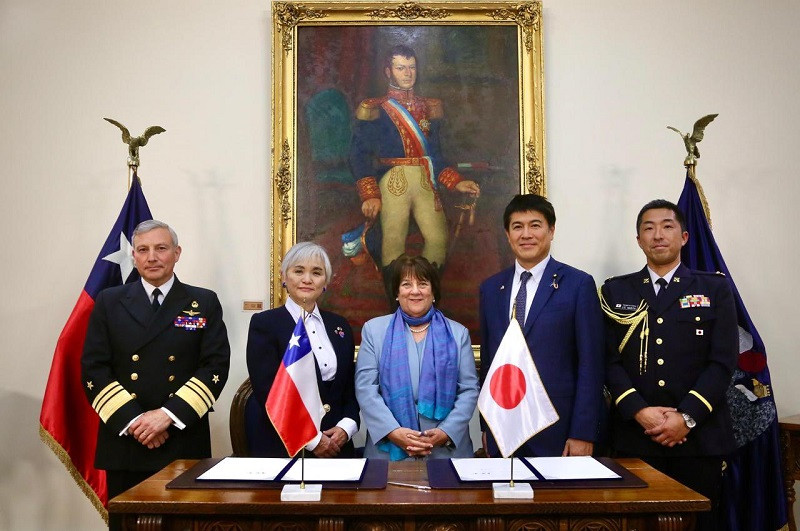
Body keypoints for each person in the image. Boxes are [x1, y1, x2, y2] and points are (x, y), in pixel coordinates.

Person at [601, 199, 737, 530]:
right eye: (648, 228)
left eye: (667, 226)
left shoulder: (714, 288)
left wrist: (686, 417)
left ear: (684, 237)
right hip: (635, 437)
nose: (658, 235)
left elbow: (722, 362)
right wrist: (639, 411)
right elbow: (608, 361)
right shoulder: (615, 290)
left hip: (698, 439)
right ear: (638, 240)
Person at [81, 220, 230, 506]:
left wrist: (167, 416)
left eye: (161, 248)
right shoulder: (109, 301)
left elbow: (215, 366)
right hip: (126, 440)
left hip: (182, 436)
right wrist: (136, 422)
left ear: (177, 253)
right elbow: (94, 368)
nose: (152, 257)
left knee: (185, 523)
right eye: (143, 250)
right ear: (133, 256)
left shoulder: (203, 301)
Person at [349, 44, 480, 298]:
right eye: (401, 68)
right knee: (393, 242)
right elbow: (358, 154)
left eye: (411, 67)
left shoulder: (430, 106)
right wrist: (370, 194)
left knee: (438, 239)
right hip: (393, 180)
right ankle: (396, 302)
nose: (408, 73)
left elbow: (437, 155)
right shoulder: (374, 108)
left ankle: (424, 296)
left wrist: (455, 182)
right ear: (388, 72)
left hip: (425, 180)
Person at [479, 194, 605, 457]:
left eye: (535, 225)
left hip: (559, 430)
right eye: (517, 226)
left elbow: (591, 364)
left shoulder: (578, 285)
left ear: (551, 231)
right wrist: (487, 426)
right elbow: (490, 362)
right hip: (504, 429)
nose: (526, 234)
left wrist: (583, 432)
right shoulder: (491, 289)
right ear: (507, 234)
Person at [355, 255, 479, 459]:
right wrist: (393, 432)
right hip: (389, 450)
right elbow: (366, 389)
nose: (415, 291)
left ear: (433, 292)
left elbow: (469, 389)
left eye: (422, 284)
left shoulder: (458, 334)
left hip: (444, 451)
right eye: (406, 284)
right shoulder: (374, 331)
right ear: (397, 293)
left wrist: (445, 432)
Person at [246, 242, 359, 457]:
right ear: (284, 277)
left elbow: (349, 387)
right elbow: (269, 392)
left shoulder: (340, 326)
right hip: (286, 446)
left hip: (337, 446)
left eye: (316, 273)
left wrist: (347, 427)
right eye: (299, 271)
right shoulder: (265, 324)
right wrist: (313, 440)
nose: (307, 279)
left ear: (325, 281)